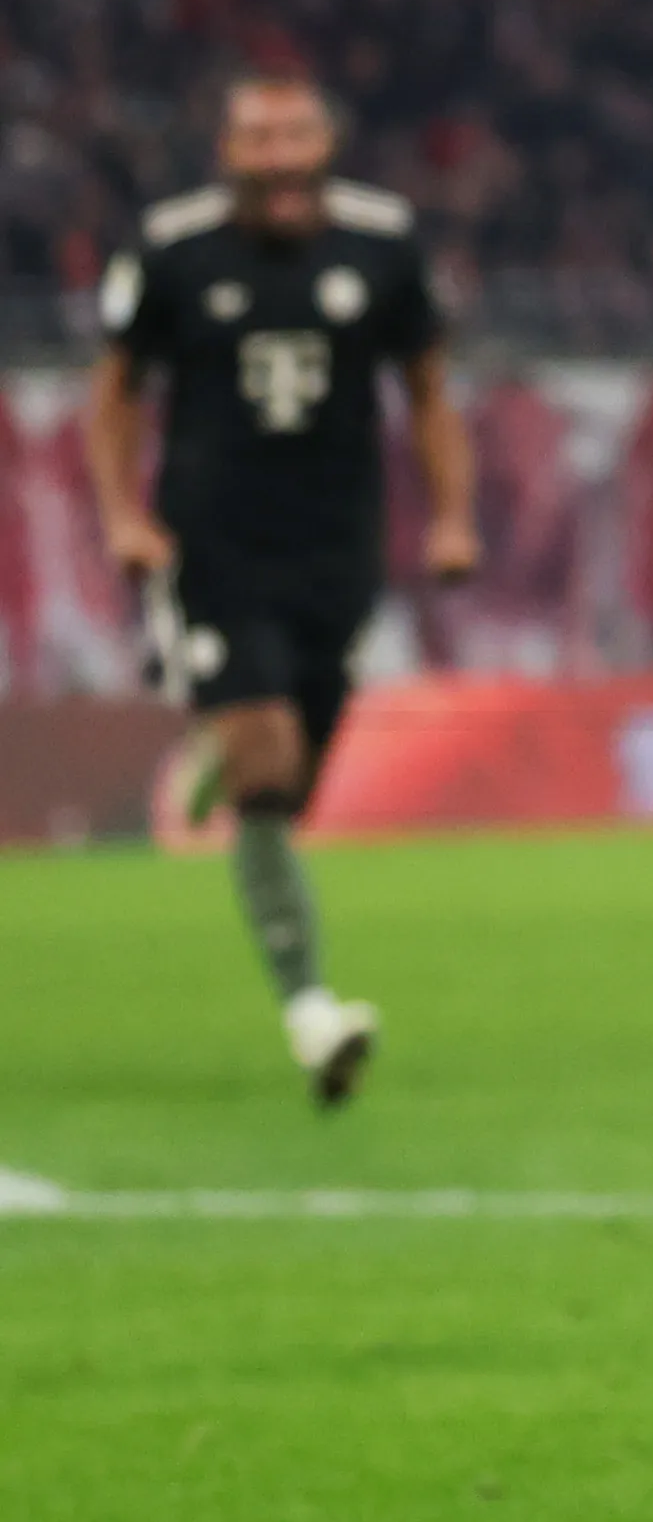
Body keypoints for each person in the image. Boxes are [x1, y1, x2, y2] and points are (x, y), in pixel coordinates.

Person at [83, 71, 478, 1104]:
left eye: (296, 133)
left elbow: (428, 393)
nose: (279, 156)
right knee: (267, 775)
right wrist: (125, 514)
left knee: (290, 784)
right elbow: (115, 394)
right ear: (228, 152)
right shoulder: (173, 251)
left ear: (327, 143)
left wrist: (450, 515)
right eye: (258, 137)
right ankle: (313, 1014)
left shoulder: (383, 245)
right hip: (213, 547)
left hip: (337, 551)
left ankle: (221, 745)